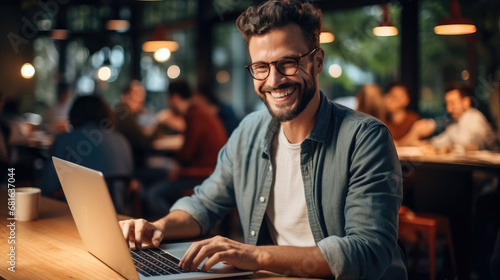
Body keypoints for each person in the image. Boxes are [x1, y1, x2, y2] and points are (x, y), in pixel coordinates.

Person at [120, 1, 406, 279]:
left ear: (318, 61)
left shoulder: (365, 138)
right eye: (260, 67)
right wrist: (157, 227)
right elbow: (204, 205)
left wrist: (255, 256)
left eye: (288, 63)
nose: (273, 80)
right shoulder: (249, 131)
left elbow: (368, 252)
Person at [146, 80, 228, 218]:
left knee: (153, 193)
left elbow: (186, 155)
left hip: (203, 175)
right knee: (163, 175)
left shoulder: (194, 115)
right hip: (211, 172)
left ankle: (175, 229)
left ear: (174, 98)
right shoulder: (200, 112)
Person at [41, 95, 134, 212]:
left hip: (74, 216)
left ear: (74, 114)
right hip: (118, 214)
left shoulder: (65, 139)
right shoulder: (121, 140)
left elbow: (49, 186)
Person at [427, 82, 497, 150]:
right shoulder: (455, 122)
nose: (449, 109)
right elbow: (441, 141)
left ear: (466, 102)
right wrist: (427, 142)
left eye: (452, 104)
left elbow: (468, 145)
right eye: (447, 104)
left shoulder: (475, 118)